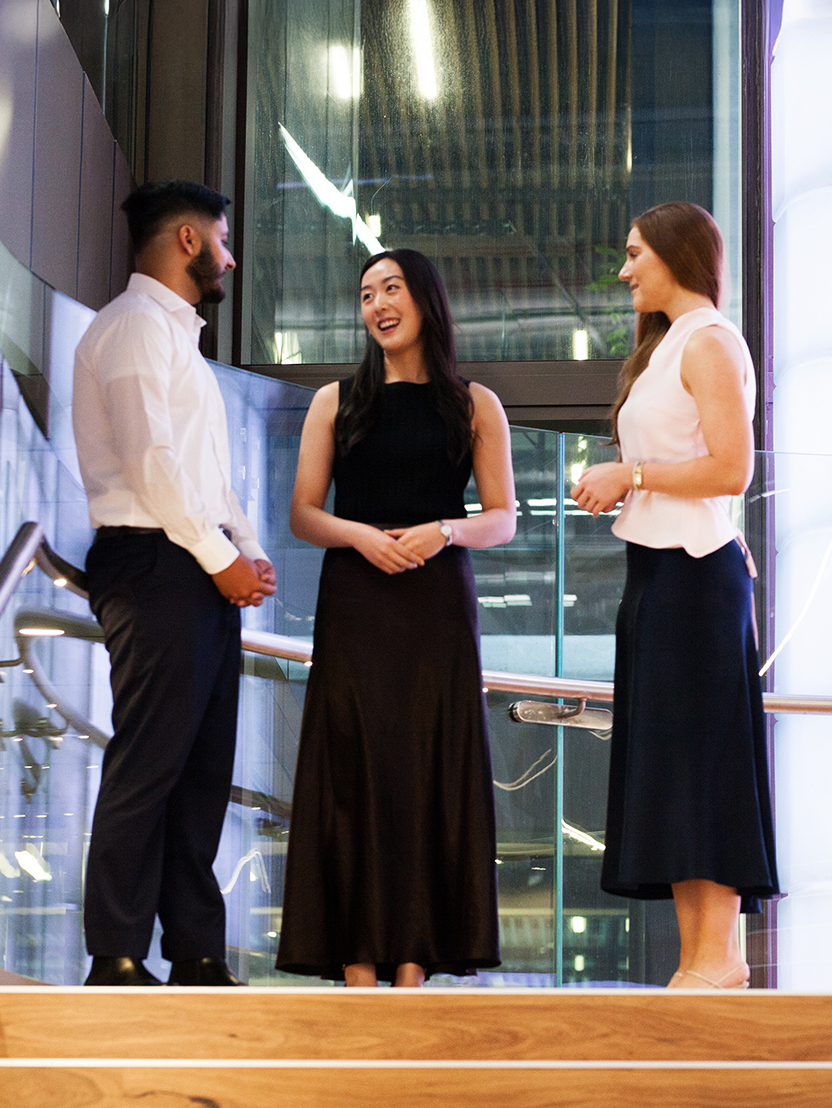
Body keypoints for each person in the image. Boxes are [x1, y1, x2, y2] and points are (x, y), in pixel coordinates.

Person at [275, 249, 516, 986]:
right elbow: (303, 514)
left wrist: (444, 530)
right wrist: (360, 536)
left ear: (425, 301)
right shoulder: (334, 401)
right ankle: (356, 967)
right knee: (353, 771)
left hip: (436, 607)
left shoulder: (474, 404)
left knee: (425, 773)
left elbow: (503, 518)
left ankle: (412, 968)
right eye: (365, 294)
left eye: (391, 289)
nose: (377, 304)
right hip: (356, 603)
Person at [73, 179, 276, 987]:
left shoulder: (177, 341)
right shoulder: (131, 326)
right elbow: (150, 461)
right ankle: (115, 955)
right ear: (188, 240)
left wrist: (244, 549)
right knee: (150, 761)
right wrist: (220, 558)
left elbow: (204, 475)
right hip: (151, 560)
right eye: (222, 240)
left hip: (189, 562)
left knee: (201, 772)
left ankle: (195, 952)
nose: (230, 258)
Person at [571, 202, 779, 989]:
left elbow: (732, 468)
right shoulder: (666, 347)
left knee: (703, 759)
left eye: (635, 254)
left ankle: (717, 957)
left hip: (693, 576)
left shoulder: (710, 341)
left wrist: (630, 474)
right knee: (675, 761)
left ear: (675, 253)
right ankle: (704, 959)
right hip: (659, 574)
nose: (625, 270)